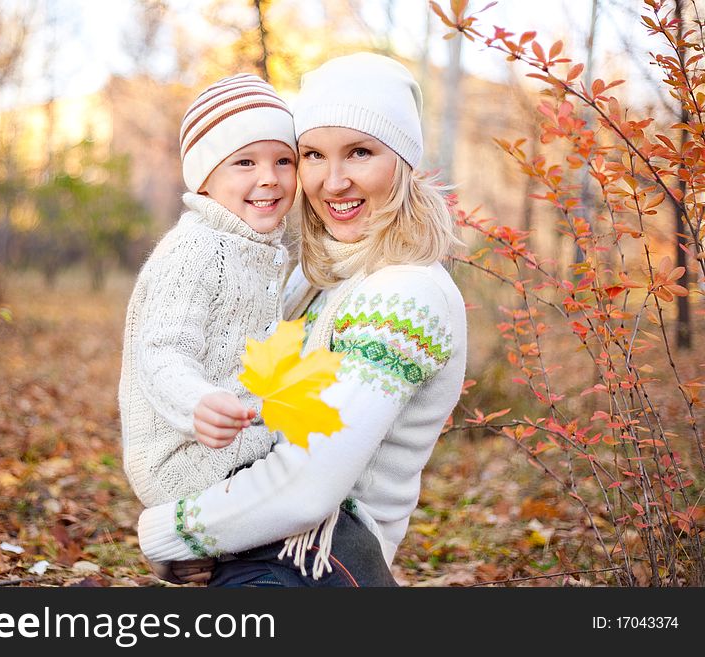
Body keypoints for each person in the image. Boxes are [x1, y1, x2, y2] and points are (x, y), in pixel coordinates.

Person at [135, 52, 468, 587]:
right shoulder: (315, 280)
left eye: (359, 153)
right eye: (312, 154)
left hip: (321, 558)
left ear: (402, 161)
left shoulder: (407, 294)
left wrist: (169, 530)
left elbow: (308, 483)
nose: (332, 181)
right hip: (261, 543)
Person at [118, 73, 296, 509]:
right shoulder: (197, 247)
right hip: (185, 455)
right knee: (309, 474)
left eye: (283, 161)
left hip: (233, 442)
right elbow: (161, 351)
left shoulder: (257, 244)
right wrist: (199, 402)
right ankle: (182, 538)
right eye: (245, 163)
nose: (269, 178)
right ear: (204, 180)